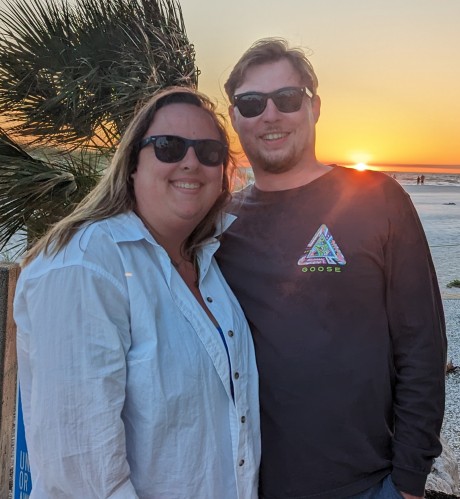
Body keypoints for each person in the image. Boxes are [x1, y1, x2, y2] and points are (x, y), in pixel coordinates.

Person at [216, 38, 446, 499]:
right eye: (251, 102)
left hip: (368, 484)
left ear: (314, 106)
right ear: (235, 117)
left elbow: (421, 342)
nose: (270, 115)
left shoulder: (378, 200)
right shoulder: (219, 225)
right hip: (247, 485)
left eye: (287, 98)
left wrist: (409, 479)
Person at [14, 86, 260, 498]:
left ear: (222, 174)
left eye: (209, 151)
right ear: (132, 165)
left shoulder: (206, 262)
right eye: (168, 146)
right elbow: (82, 475)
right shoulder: (85, 266)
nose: (190, 162)